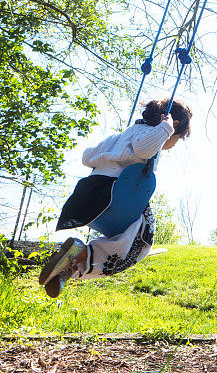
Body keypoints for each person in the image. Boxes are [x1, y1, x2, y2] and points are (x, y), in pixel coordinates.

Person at [38, 98, 192, 298]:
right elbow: (144, 148)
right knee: (141, 245)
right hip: (114, 198)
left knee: (119, 242)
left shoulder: (118, 136)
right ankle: (81, 255)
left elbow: (87, 157)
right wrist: (166, 129)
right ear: (175, 124)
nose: (173, 143)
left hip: (89, 200)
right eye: (177, 137)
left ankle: (69, 269)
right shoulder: (152, 132)